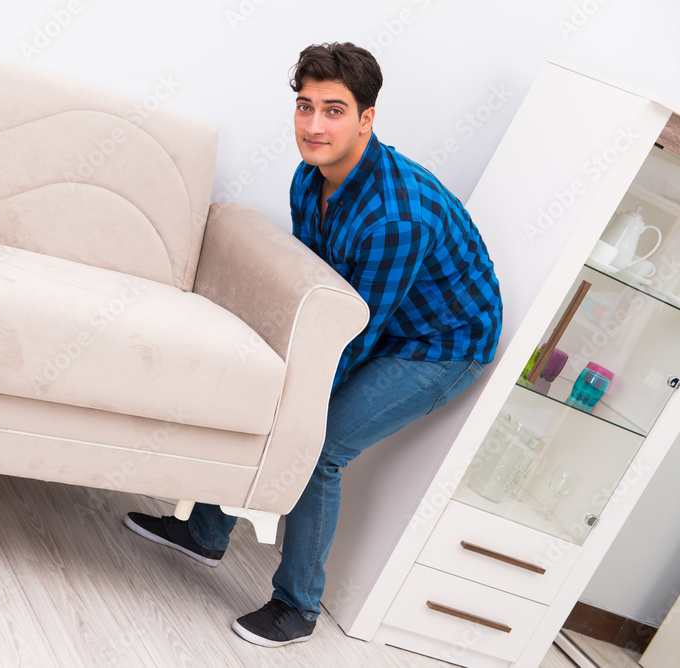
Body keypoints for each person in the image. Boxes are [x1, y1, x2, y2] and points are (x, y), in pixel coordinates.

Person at [124, 42, 503, 648]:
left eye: (333, 110)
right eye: (305, 107)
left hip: (438, 345)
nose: (314, 125)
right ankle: (206, 534)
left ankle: (297, 607)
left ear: (367, 119)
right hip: (377, 319)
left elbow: (359, 331)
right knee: (281, 408)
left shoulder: (393, 219)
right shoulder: (311, 175)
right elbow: (318, 287)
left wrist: (293, 398)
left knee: (316, 442)